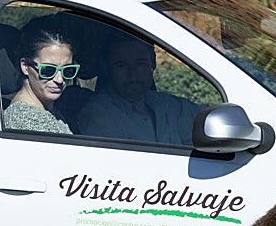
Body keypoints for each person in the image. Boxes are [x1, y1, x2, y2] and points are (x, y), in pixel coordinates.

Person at [76, 33, 204, 145]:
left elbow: (206, 122)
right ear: (107, 68)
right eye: (121, 66)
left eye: (140, 64)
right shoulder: (99, 115)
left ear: (152, 63)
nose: (133, 74)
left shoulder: (166, 105)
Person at [2, 18, 79, 135]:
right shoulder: (25, 121)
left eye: (67, 71)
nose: (59, 79)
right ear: (25, 66)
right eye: (48, 70)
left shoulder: (49, 112)